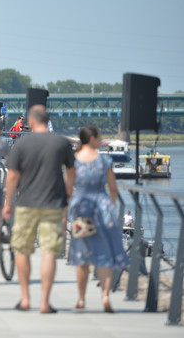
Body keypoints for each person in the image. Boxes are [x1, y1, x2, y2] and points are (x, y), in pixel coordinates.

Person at [3, 105, 76, 314]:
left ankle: (25, 298)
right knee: (49, 253)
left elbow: (12, 176)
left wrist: (8, 202)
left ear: (31, 122)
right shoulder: (61, 143)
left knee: (22, 250)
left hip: (26, 203)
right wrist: (68, 194)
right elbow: (71, 172)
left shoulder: (22, 144)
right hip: (53, 204)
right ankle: (45, 302)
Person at [68, 126, 130, 313]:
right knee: (105, 255)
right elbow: (112, 188)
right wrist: (110, 205)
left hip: (82, 208)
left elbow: (68, 188)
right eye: (99, 137)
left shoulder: (74, 161)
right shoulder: (104, 160)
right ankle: (105, 296)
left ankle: (80, 299)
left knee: (82, 257)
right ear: (93, 138)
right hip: (102, 209)